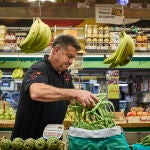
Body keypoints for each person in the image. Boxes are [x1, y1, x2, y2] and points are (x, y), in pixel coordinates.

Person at [11, 34, 98, 140]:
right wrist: (76, 93)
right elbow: (36, 92)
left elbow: (72, 100)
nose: (71, 62)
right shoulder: (39, 68)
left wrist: (90, 103)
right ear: (56, 50)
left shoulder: (65, 75)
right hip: (27, 142)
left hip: (52, 141)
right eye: (69, 56)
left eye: (73, 58)